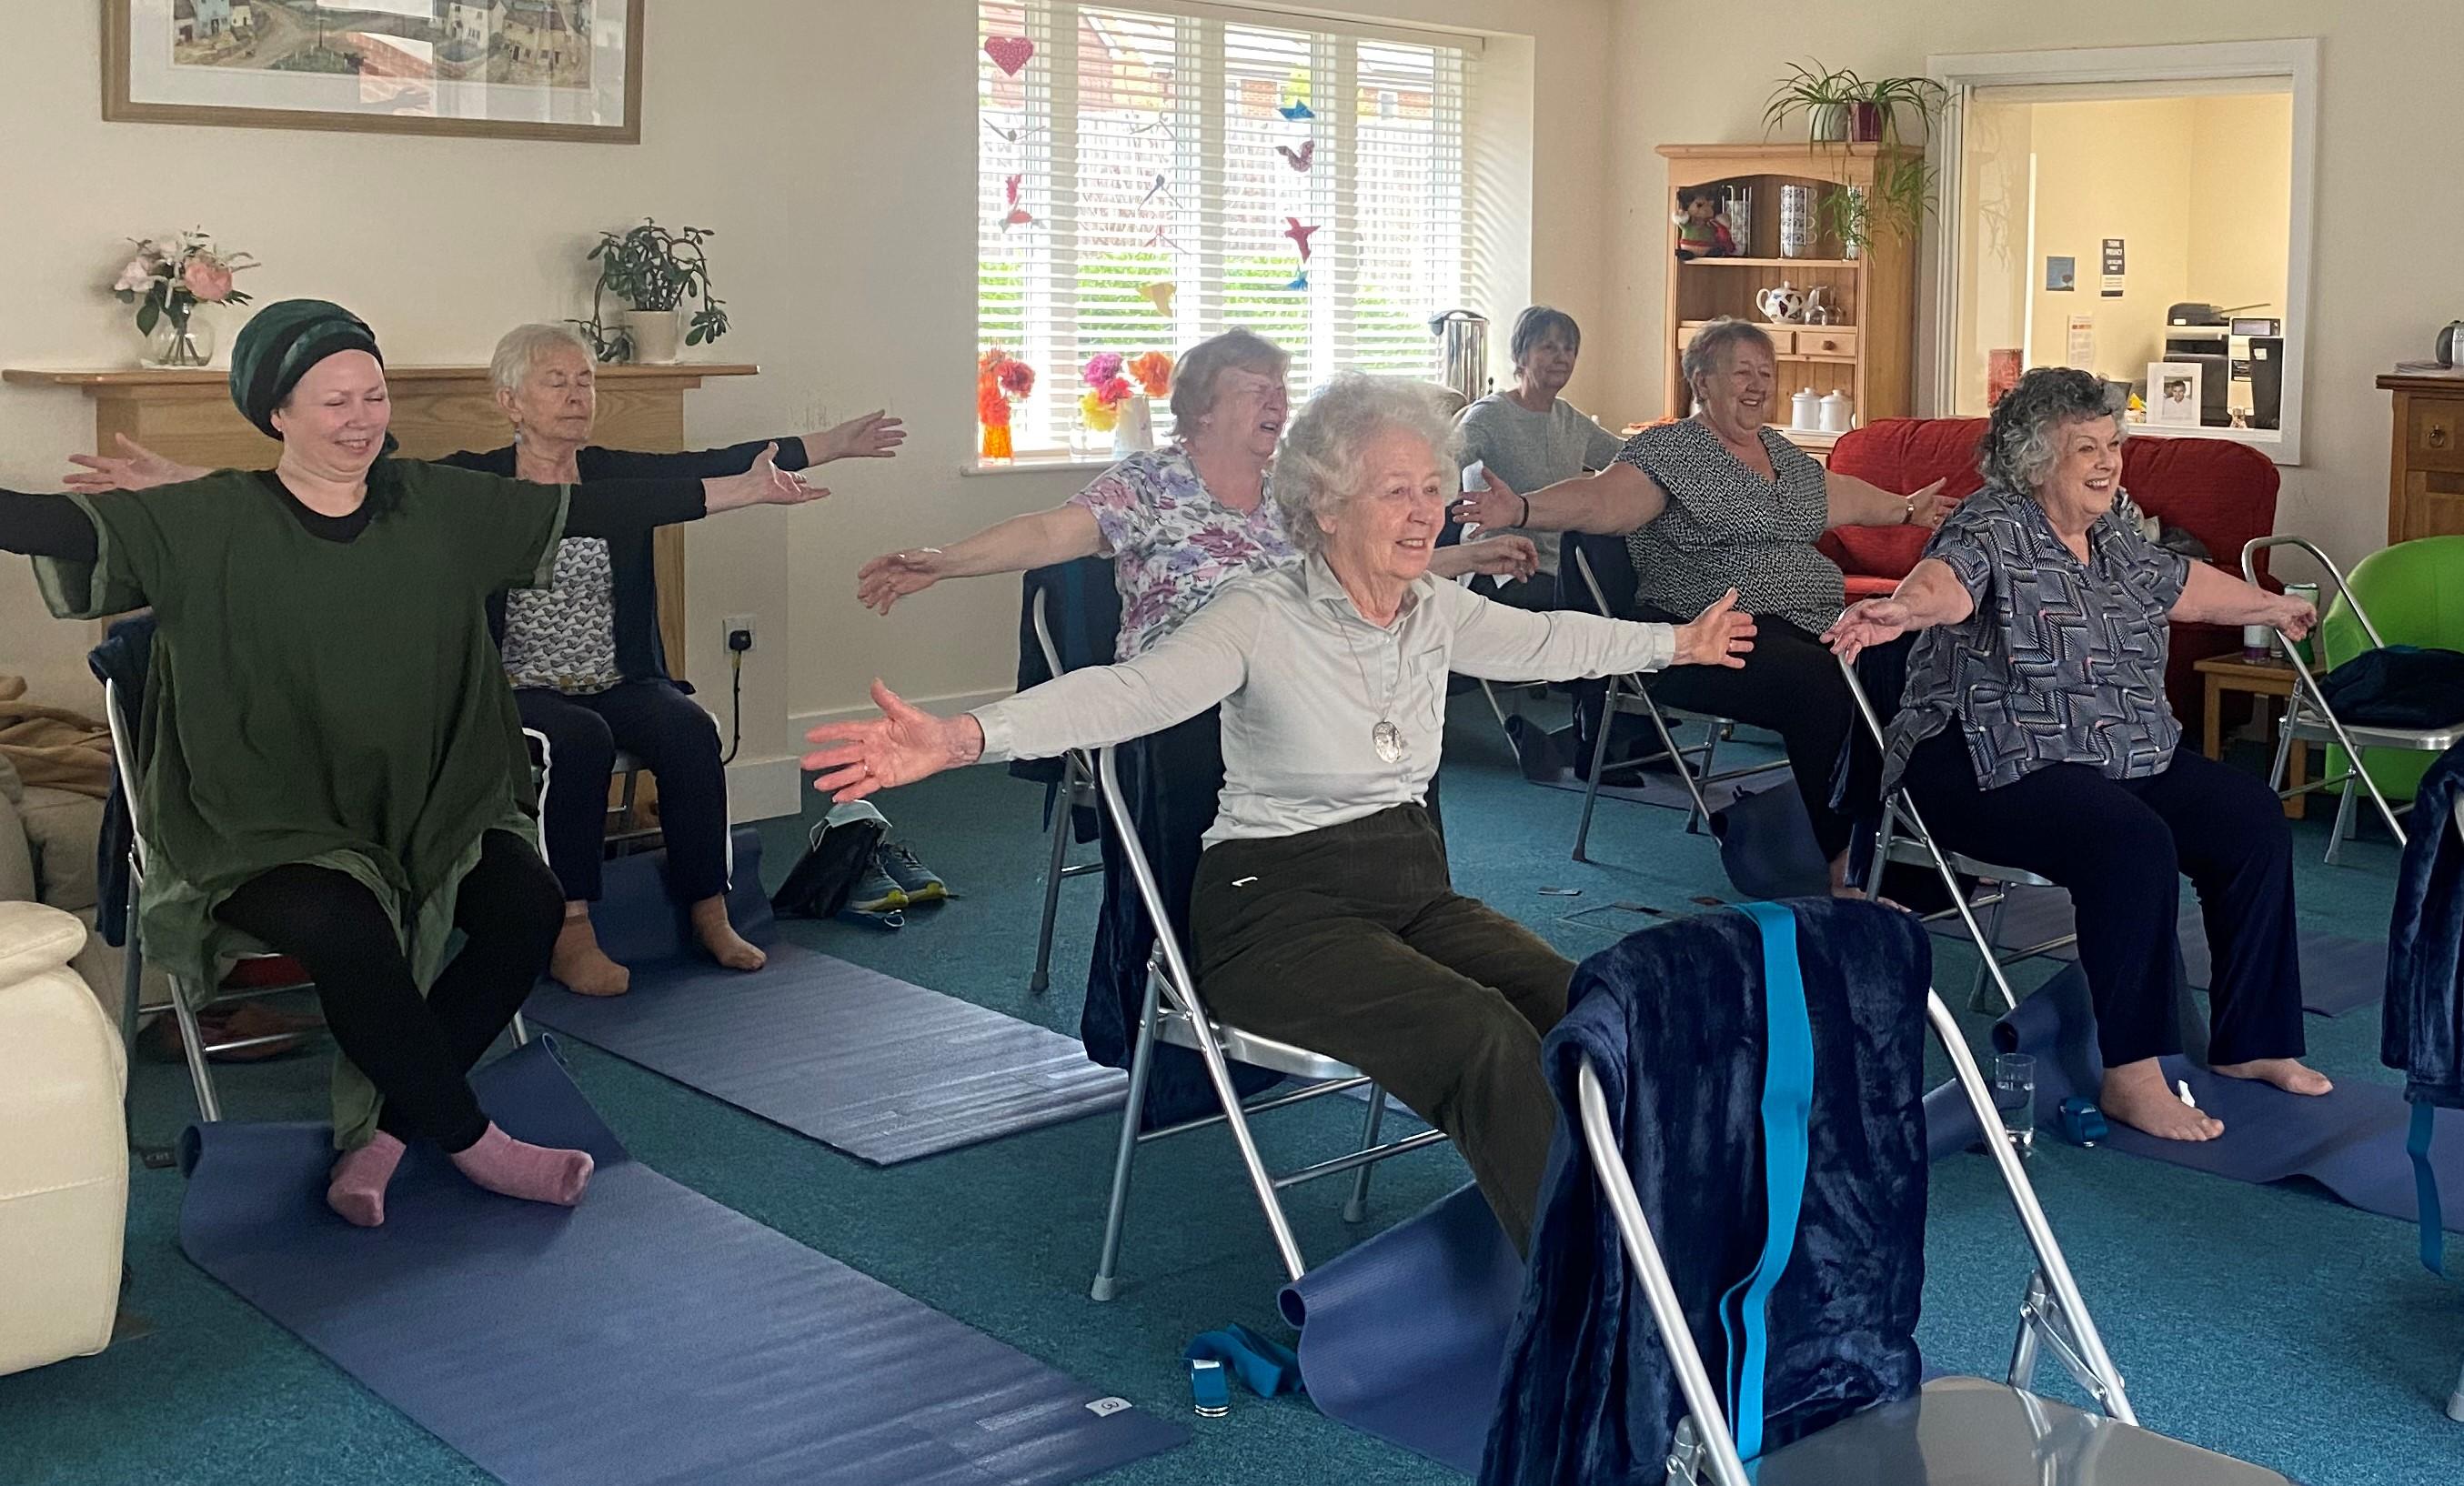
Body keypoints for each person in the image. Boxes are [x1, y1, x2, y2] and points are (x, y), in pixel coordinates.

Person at [803, 374, 1754, 1246]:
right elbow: (1128, 695)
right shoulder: (1258, 612)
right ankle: (1599, 1295)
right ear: (1327, 507)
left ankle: (1672, 1235)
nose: (1424, 511)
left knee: (1589, 1004)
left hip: (1410, 888)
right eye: (1395, 491)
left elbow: (1550, 640)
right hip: (1274, 910)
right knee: (1480, 1036)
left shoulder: (1433, 607)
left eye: (1432, 486)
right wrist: (961, 737)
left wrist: (1681, 641)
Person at [3, 300, 824, 1225]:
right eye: (332, 402)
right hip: (263, 825)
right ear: (277, 413)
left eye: (373, 395)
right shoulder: (204, 520)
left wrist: (741, 490)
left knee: (528, 903)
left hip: (433, 806)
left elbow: (590, 503)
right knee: (348, 926)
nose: (360, 420)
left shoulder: (436, 506)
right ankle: (475, 1138)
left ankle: (389, 1134)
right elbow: (47, 524)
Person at [64, 322, 903, 998]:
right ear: (510, 400)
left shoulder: (613, 477)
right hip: (514, 686)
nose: (577, 398)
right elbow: (317, 489)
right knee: (571, 744)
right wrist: (176, 478)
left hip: (620, 678)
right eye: (556, 382)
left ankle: (709, 908)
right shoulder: (465, 485)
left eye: (586, 383)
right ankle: (570, 925)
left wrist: (829, 443)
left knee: (686, 728)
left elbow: (723, 470)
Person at [854, 330, 1533, 1118]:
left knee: (1389, 751)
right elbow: (1047, 534)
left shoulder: (1302, 490)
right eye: (1255, 388)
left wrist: (1464, 563)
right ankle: (1198, 1025)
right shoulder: (1148, 485)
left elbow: (1367, 567)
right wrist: (943, 559)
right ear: (1201, 410)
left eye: (1282, 387)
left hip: (1298, 700)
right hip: (1179, 715)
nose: (1278, 402)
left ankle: (1394, 961)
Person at [1824, 366, 2328, 1141]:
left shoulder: (2112, 528)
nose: (2106, 462)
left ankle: (2253, 1044)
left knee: (2249, 819)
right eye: (2084, 448)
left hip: (2111, 742)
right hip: (1984, 754)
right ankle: (2133, 1074)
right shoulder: (1987, 525)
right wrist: (1899, 609)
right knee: (2129, 843)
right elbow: (1945, 586)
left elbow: (2176, 585)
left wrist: (2270, 604)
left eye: (2112, 444)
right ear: (2031, 461)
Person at [1453, 316, 1951, 893]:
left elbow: (1836, 494)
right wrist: (1520, 510)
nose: (1758, 383)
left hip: (1805, 622)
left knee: (1905, 662)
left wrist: (1906, 510)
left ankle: (1906, 842)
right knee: (1822, 683)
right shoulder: (1672, 450)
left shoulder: (1778, 453)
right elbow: (1605, 502)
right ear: (1701, 381)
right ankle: (1846, 866)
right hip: (1707, 636)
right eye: (1742, 371)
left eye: (1766, 372)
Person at [1453, 306, 1628, 608]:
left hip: (1558, 568)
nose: (1561, 357)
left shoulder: (1570, 420)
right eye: (1548, 347)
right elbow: (1443, 460)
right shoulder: (1489, 416)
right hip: (1500, 568)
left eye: (1569, 348)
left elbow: (1631, 458)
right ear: (1521, 356)